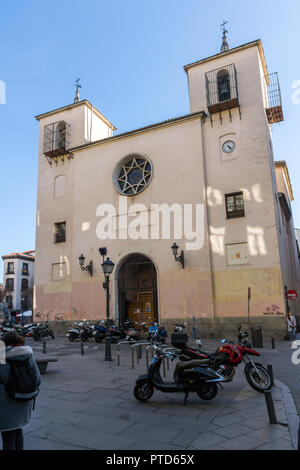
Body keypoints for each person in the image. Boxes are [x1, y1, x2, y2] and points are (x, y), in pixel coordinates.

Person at [0, 331, 41, 450]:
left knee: (7, 433)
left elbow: (3, 376)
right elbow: (37, 379)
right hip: (25, 398)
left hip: (6, 401)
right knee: (18, 430)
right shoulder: (28, 354)